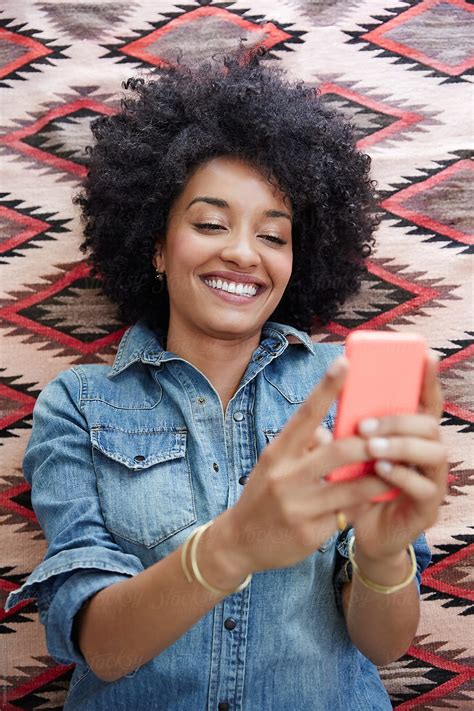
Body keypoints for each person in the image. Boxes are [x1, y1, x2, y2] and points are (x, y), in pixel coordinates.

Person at [5, 49, 448, 710]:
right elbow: (102, 646)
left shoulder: (345, 383)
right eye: (210, 223)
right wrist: (230, 547)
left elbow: (383, 647)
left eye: (275, 235)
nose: (243, 252)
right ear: (156, 244)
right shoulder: (78, 404)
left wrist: (384, 560)